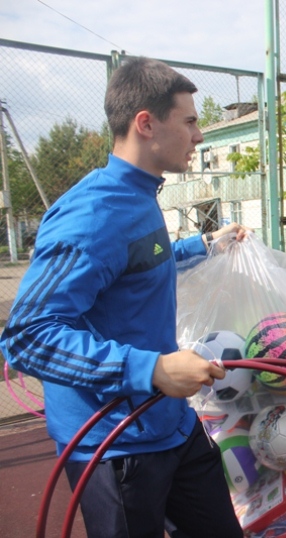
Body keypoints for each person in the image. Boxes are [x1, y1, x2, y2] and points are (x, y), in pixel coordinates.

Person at [0, 58, 247, 537]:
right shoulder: (94, 213)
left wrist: (200, 247)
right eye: (191, 121)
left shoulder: (140, 195)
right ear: (146, 124)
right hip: (115, 445)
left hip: (169, 422)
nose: (199, 136)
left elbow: (133, 262)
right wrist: (151, 370)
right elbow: (27, 337)